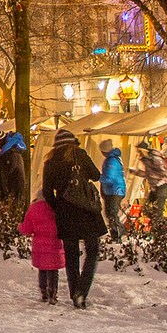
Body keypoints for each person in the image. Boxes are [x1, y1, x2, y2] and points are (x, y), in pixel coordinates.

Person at [40, 131, 106, 309]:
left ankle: (74, 291)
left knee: (71, 255)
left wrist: (58, 206)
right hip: (86, 210)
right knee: (92, 250)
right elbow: (95, 175)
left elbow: (47, 191)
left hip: (65, 213)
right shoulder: (80, 155)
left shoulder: (50, 162)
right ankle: (82, 290)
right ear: (73, 144)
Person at [19, 196, 64, 304]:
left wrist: (19, 226)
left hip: (39, 244)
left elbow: (27, 230)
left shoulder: (33, 209)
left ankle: (44, 291)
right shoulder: (56, 208)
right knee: (53, 270)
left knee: (42, 269)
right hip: (54, 243)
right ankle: (53, 293)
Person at [133, 140, 167, 222]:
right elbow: (149, 174)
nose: (139, 153)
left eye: (140, 151)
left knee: (157, 210)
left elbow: (163, 173)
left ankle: (160, 228)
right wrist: (135, 172)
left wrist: (155, 181)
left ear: (145, 150)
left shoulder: (156, 159)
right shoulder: (147, 159)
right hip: (155, 188)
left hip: (161, 186)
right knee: (147, 209)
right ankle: (155, 226)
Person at [0, 128, 29, 209]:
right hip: (18, 180)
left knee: (16, 201)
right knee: (18, 199)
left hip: (14, 182)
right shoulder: (14, 151)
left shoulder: (9, 152)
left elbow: (10, 168)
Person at [99, 141, 126, 240]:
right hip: (113, 190)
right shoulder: (112, 159)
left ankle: (118, 234)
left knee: (112, 213)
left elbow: (109, 177)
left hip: (114, 190)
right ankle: (117, 233)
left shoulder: (112, 161)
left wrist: (99, 177)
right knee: (110, 213)